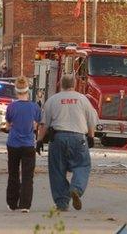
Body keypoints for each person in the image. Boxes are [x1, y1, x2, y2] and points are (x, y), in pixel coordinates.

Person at [37, 75, 98, 212]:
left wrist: (39, 140)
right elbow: (91, 120)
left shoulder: (53, 100)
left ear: (60, 84)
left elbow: (44, 124)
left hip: (58, 137)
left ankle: (62, 203)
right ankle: (76, 188)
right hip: (78, 138)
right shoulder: (83, 99)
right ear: (74, 84)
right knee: (82, 165)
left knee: (57, 170)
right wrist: (91, 136)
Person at [5, 76, 41, 213]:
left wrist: (12, 125)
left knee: (13, 173)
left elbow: (8, 126)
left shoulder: (11, 107)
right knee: (27, 175)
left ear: (16, 90)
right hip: (28, 144)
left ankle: (12, 203)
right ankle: (25, 204)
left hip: (13, 143)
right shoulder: (34, 107)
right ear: (28, 90)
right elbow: (36, 124)